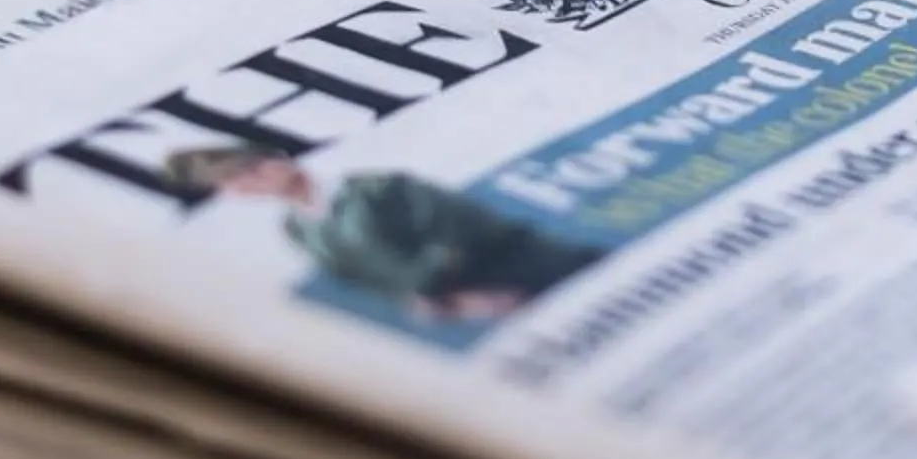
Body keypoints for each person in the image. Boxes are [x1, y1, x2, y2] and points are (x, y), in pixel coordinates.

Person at [166, 145, 603, 322]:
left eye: (253, 165)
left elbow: (456, 229)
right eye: (236, 182)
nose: (254, 180)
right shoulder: (298, 231)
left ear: (278, 155)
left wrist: (445, 288)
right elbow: (367, 281)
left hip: (533, 269)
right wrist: (443, 302)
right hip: (479, 310)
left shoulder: (376, 187)